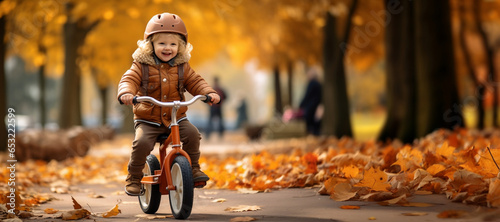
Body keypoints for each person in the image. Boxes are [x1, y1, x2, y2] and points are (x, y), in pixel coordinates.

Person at [117, 12, 220, 196]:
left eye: (173, 44)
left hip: (176, 118)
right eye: (162, 43)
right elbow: (129, 79)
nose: (168, 48)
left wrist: (208, 93)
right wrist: (126, 93)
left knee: (192, 134)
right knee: (141, 143)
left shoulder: (182, 67)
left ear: (180, 47)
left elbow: (196, 82)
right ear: (151, 45)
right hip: (148, 119)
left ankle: (194, 168)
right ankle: (133, 178)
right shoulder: (141, 65)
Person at [299, 68, 322, 136]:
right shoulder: (319, 84)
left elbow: (307, 96)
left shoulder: (311, 84)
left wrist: (300, 105)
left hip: (310, 107)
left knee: (309, 122)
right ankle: (316, 134)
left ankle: (312, 135)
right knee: (315, 123)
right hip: (317, 106)